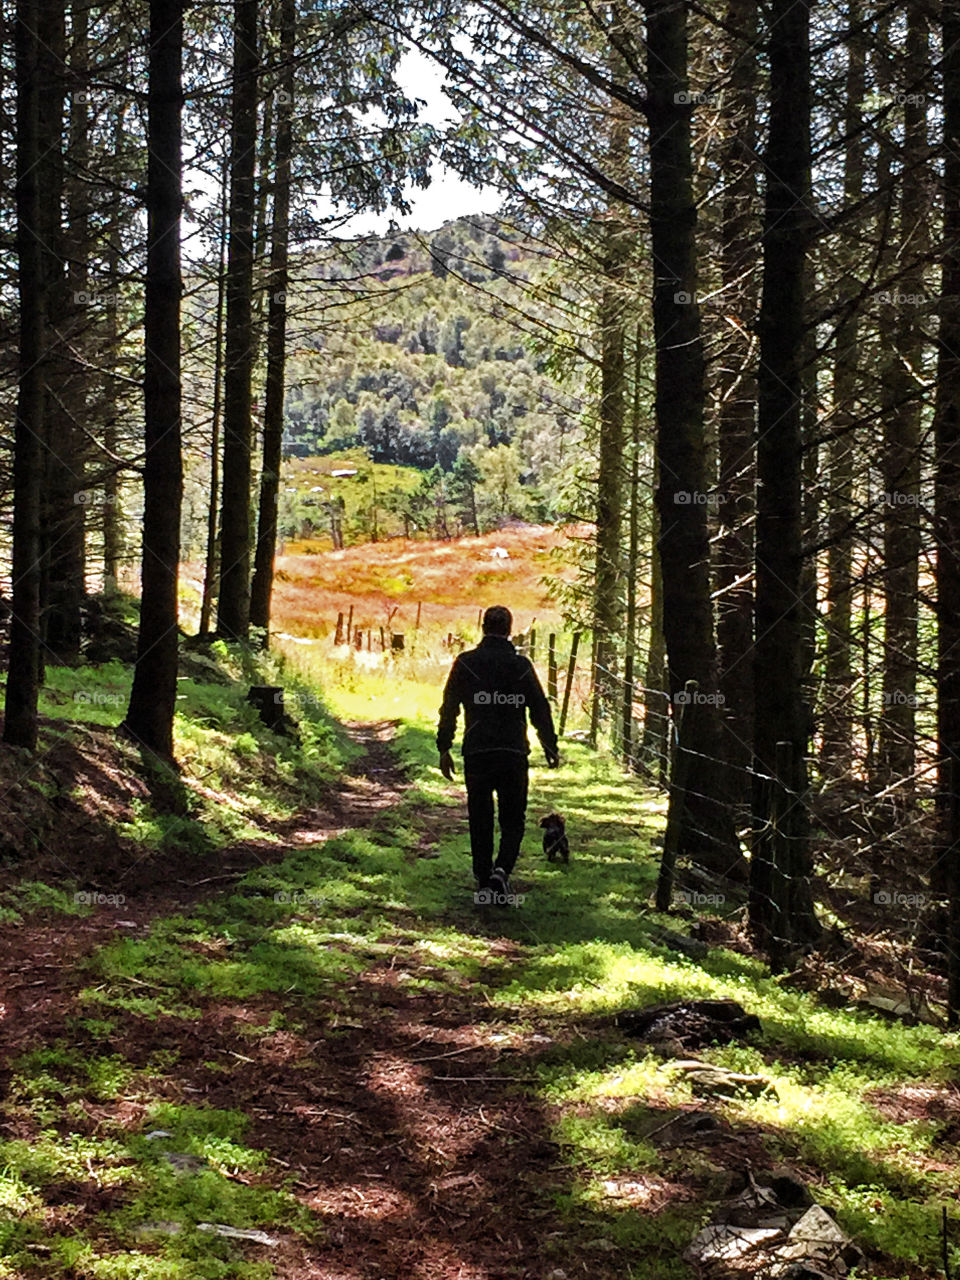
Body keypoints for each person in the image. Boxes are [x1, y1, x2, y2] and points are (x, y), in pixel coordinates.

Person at [436, 605, 559, 903]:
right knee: (512, 818)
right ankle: (501, 871)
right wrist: (549, 743)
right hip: (512, 751)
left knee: (480, 816)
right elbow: (539, 708)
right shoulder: (521, 666)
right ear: (509, 630)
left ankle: (483, 877)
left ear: (482, 627)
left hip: (477, 750)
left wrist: (444, 746)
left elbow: (449, 706)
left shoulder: (465, 663)